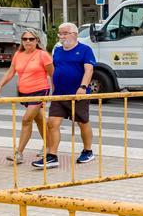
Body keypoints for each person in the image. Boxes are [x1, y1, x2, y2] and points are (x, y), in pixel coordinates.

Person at [33, 22, 97, 169]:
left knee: (82, 122)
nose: (61, 37)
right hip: (59, 94)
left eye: (64, 33)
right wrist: (51, 88)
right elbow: (54, 70)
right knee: (52, 123)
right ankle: (52, 156)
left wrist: (83, 87)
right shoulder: (58, 50)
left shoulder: (85, 50)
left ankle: (88, 151)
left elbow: (89, 70)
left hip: (77, 94)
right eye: (60, 34)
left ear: (74, 34)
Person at [0, 30, 54, 164]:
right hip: (24, 92)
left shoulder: (43, 55)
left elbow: (52, 74)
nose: (27, 41)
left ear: (37, 41)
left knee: (27, 120)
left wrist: (56, 91)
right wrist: (0, 85)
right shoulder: (18, 54)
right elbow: (11, 72)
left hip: (40, 90)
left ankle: (18, 153)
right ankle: (49, 146)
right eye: (25, 39)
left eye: (31, 39)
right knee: (39, 119)